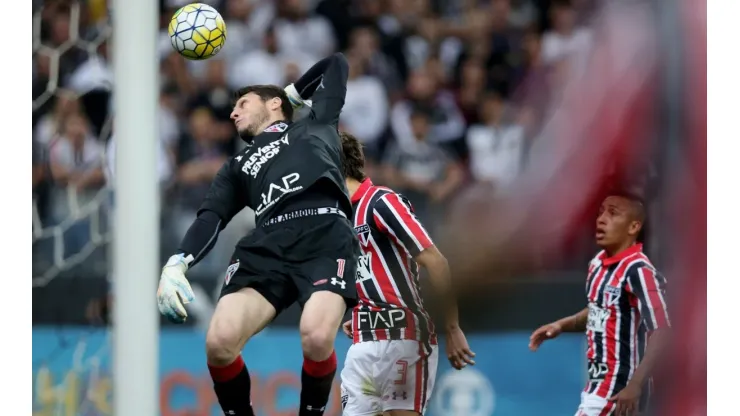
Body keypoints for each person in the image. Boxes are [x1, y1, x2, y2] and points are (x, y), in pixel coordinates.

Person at [156, 52, 362, 416]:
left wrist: (296, 92)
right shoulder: (236, 166)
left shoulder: (316, 123)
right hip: (267, 242)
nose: (233, 113)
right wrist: (178, 262)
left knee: (316, 336)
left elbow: (337, 64)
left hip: (324, 233)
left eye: (243, 104)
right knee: (219, 343)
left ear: (274, 104)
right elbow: (210, 219)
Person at [337, 132, 475, 416]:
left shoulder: (381, 202)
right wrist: (356, 310)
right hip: (363, 343)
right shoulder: (337, 219)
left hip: (404, 337)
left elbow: (435, 261)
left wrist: (452, 327)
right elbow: (363, 271)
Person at [529, 193, 670, 416]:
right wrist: (562, 325)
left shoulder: (639, 270)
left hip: (616, 393)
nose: (601, 219)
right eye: (601, 211)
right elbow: (600, 309)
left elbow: (662, 330)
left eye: (612, 213)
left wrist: (635, 385)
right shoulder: (597, 264)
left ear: (633, 226)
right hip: (597, 385)